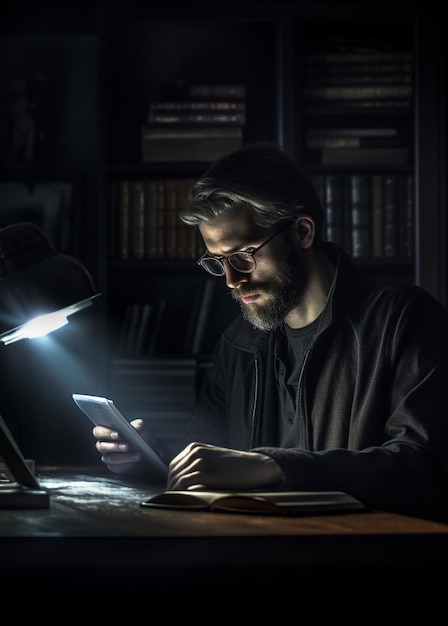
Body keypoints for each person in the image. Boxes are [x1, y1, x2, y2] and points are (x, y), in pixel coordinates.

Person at [93, 141, 448, 523]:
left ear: (303, 232)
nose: (231, 280)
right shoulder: (238, 343)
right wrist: (155, 459)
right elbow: (215, 466)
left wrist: (273, 466)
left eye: (243, 255)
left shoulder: (405, 320)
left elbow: (425, 467)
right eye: (217, 262)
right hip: (257, 560)